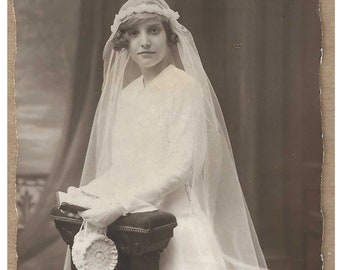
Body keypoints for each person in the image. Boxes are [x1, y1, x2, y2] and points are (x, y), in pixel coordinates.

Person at [64, 0, 268, 269]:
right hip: (132, 220)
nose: (145, 42)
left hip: (175, 220)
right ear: (124, 42)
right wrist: (89, 193)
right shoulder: (127, 95)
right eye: (134, 34)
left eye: (153, 31)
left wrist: (120, 204)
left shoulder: (184, 87)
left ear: (169, 37)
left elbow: (180, 167)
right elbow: (122, 166)